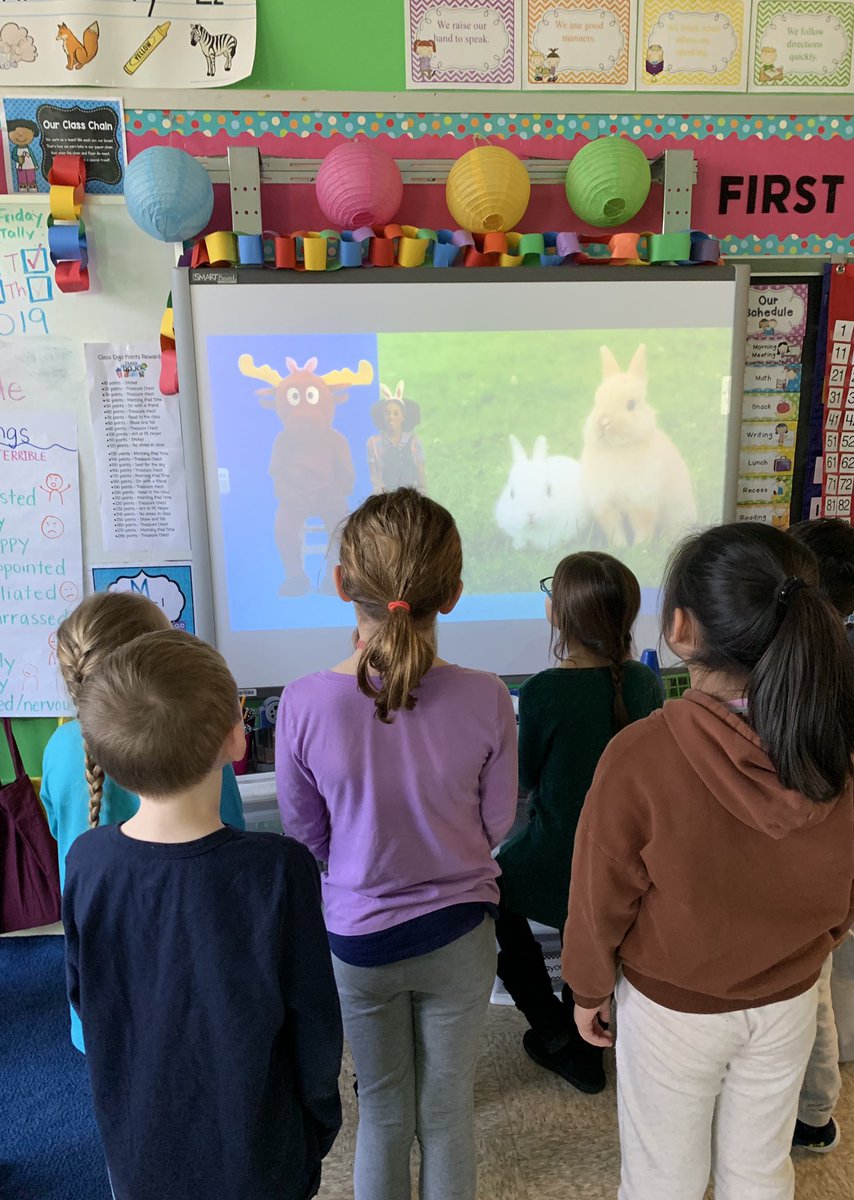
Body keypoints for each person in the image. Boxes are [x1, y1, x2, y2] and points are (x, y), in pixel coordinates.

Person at [563, 522, 854, 1200]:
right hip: (788, 997)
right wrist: (812, 948)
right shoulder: (832, 749)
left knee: (664, 1177)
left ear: (681, 628)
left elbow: (598, 894)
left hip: (673, 1009)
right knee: (759, 1169)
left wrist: (586, 988)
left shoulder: (639, 754)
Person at [276, 487, 518, 1200]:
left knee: (382, 1115)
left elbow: (305, 835)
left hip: (358, 943)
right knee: (446, 1117)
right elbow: (497, 824)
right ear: (455, 594)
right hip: (459, 936)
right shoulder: (487, 696)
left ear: (342, 584)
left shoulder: (302, 702)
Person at [63, 629, 343, 1200]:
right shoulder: (280, 869)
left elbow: (87, 1001)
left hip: (138, 1151)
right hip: (262, 1157)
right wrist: (317, 1126)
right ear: (237, 737)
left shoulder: (86, 859)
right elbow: (315, 1018)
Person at [41, 591, 245, 1054]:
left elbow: (58, 830)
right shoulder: (205, 748)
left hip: (102, 976)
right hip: (193, 968)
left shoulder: (57, 750)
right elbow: (231, 836)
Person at [494, 553, 662, 1094]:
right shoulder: (642, 683)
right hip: (624, 858)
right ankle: (583, 1031)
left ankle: (558, 1033)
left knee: (490, 891)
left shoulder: (543, 691)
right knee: (580, 915)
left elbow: (525, 781)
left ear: (559, 615)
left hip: (559, 849)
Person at [789, 516, 854, 1150]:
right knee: (817, 979)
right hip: (828, 850)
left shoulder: (819, 660)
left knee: (812, 987)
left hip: (814, 847)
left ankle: (812, 1115)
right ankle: (814, 1111)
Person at [367, 383, 427, 493]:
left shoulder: (413, 441)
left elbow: (420, 474)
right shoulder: (374, 443)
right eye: (387, 413)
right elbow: (375, 477)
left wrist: (421, 495)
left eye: (396, 413)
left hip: (410, 495)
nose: (391, 417)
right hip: (386, 496)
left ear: (402, 417)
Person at [6, 118, 39, 191]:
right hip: (20, 166)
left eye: (25, 133)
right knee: (21, 177)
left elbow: (33, 157)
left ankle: (32, 186)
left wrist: (35, 164)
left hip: (30, 166)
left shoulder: (28, 149)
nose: (21, 136)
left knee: (31, 176)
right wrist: (18, 158)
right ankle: (22, 187)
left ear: (33, 133)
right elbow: (13, 156)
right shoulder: (15, 149)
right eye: (17, 133)